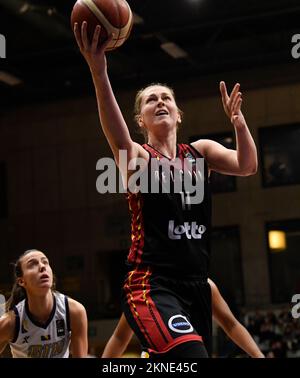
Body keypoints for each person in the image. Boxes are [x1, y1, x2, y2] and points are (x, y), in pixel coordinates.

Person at [73, 22, 257, 358]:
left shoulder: (201, 151)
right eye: (150, 100)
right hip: (151, 283)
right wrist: (99, 72)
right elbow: (117, 138)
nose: (160, 102)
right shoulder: (141, 158)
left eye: (166, 98)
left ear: (178, 114)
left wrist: (239, 123)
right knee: (191, 357)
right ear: (140, 120)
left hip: (196, 284)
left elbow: (247, 166)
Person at [102, 279, 264, 358]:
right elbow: (119, 337)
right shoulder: (146, 292)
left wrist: (258, 356)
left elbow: (231, 325)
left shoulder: (205, 285)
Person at [0, 249, 88, 358]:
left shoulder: (74, 311)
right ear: (21, 281)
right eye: (32, 264)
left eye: (45, 262)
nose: (42, 266)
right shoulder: (9, 323)